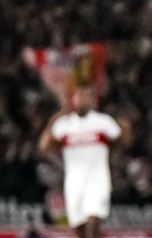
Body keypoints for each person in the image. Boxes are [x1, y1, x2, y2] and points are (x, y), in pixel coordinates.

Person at [38, 87, 132, 238]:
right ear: (72, 100)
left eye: (86, 96)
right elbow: (44, 146)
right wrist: (56, 117)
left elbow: (123, 140)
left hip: (97, 179)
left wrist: (123, 131)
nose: (82, 100)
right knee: (78, 226)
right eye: (79, 96)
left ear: (92, 101)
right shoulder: (65, 124)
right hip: (74, 180)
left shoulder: (102, 121)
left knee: (93, 218)